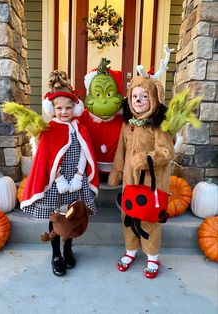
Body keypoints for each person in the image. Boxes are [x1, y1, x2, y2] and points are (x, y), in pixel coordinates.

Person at [20, 70, 99, 277]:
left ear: (75, 107)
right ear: (52, 109)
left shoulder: (79, 127)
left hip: (76, 181)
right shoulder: (50, 129)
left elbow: (85, 153)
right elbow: (47, 160)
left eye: (68, 107)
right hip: (57, 183)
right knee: (57, 216)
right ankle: (56, 254)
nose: (64, 111)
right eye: (59, 108)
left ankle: (68, 249)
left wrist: (79, 176)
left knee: (73, 214)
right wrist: (60, 179)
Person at [108, 74, 175, 279]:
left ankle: (152, 256)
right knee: (128, 215)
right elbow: (121, 150)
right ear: (129, 99)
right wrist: (117, 170)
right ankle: (130, 251)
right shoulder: (127, 125)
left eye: (144, 96)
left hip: (151, 182)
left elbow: (167, 152)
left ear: (153, 99)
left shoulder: (158, 126)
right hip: (130, 180)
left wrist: (148, 159)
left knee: (149, 217)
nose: (138, 100)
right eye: (134, 96)